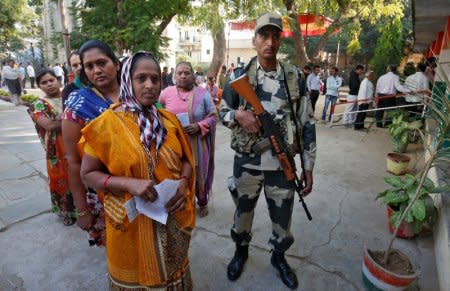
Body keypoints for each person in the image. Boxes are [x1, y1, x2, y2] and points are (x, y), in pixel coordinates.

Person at [80, 51, 195, 290]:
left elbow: (186, 160)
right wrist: (129, 184)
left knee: (171, 275)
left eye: (155, 79)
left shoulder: (169, 121)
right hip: (129, 224)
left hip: (170, 221)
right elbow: (88, 174)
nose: (150, 85)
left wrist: (183, 183)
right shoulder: (105, 125)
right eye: (141, 78)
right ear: (127, 80)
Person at [220, 12, 316, 289]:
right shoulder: (239, 77)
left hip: (281, 164)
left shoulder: (294, 77)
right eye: (264, 35)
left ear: (280, 42)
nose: (270, 42)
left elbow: (307, 124)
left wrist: (308, 166)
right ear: (254, 40)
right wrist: (238, 116)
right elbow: (221, 111)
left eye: (276, 36)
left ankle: (278, 257)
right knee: (243, 212)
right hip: (247, 163)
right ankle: (241, 251)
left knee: (282, 218)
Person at [62, 40, 121, 246]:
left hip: (141, 184)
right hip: (101, 191)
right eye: (89, 66)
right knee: (117, 247)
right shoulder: (78, 104)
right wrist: (81, 209)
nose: (97, 70)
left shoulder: (136, 94)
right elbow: (73, 161)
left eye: (102, 63)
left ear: (116, 64)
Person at [160, 61, 216, 218]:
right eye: (180, 73)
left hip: (197, 143)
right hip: (174, 143)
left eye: (187, 72)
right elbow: (157, 109)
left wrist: (199, 126)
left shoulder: (202, 93)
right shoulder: (166, 93)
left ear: (193, 75)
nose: (183, 75)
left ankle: (202, 201)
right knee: (177, 172)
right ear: (174, 76)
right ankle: (182, 201)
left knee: (199, 173)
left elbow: (213, 115)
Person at [28, 69, 76, 225]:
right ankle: (66, 212)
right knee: (61, 180)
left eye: (51, 80)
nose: (49, 84)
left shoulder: (71, 96)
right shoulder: (38, 105)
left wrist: (63, 119)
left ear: (58, 80)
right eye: (44, 82)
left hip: (76, 144)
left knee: (80, 175)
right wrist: (73, 119)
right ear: (39, 86)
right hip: (57, 149)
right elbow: (48, 125)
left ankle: (84, 208)